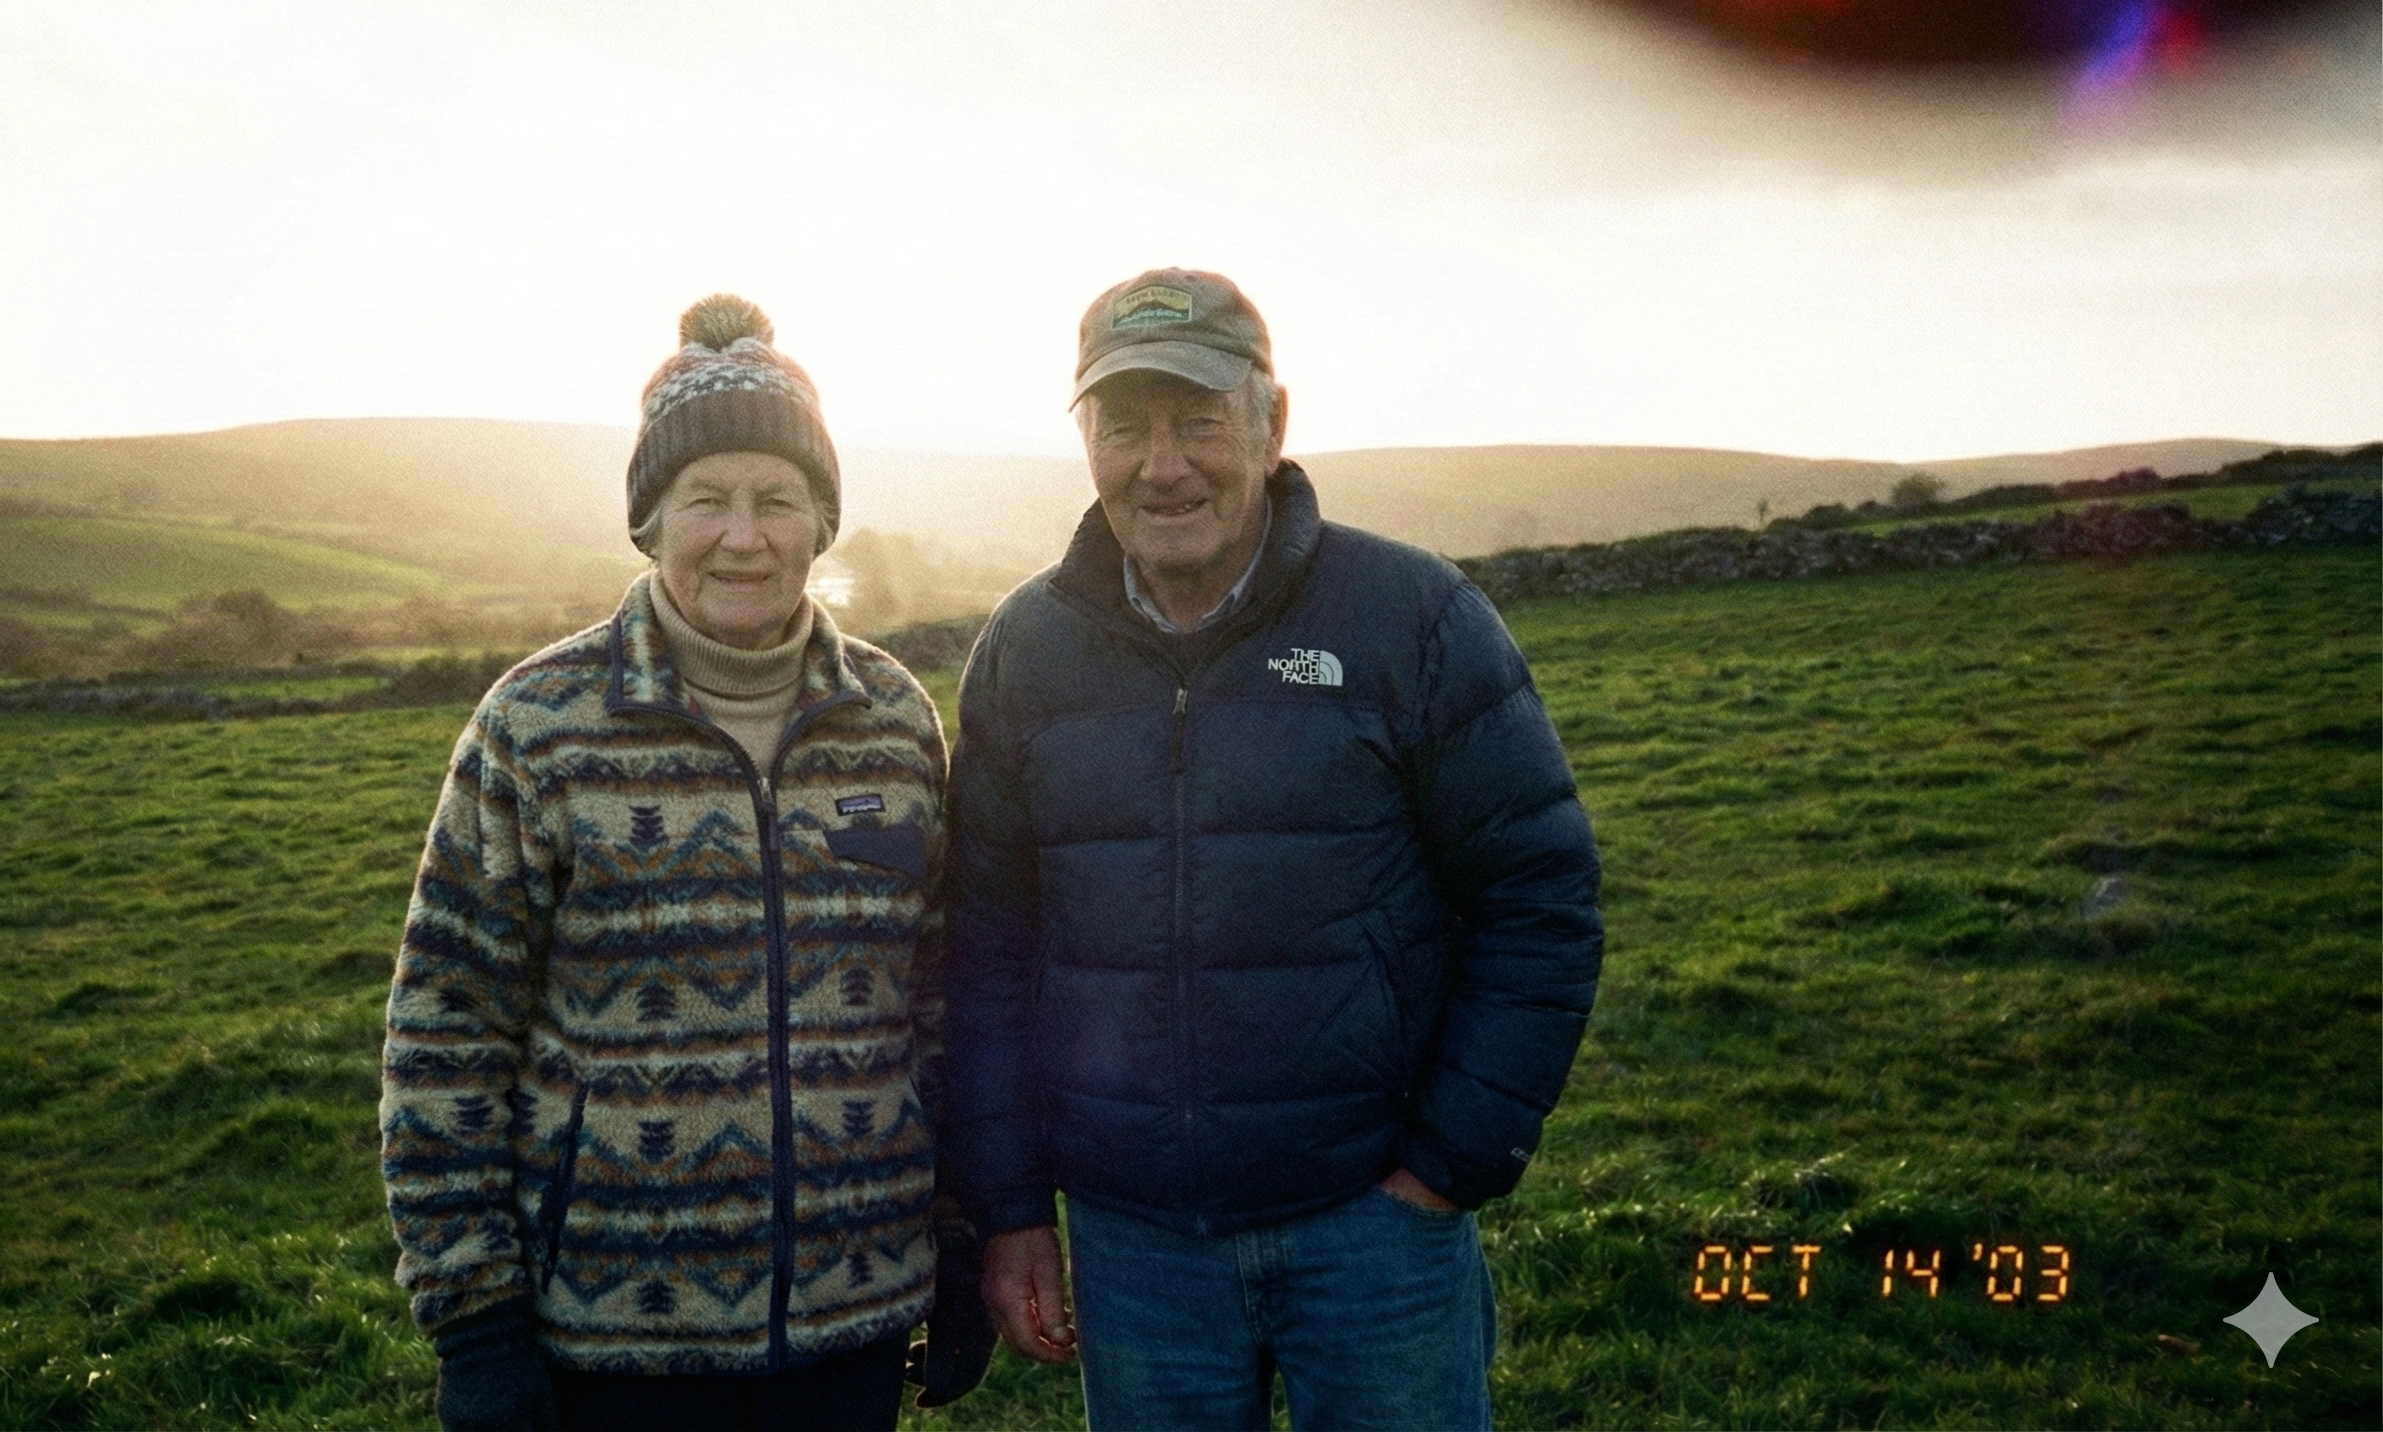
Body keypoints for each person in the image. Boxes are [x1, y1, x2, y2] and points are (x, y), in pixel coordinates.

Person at [941, 268, 1605, 1431]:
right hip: (1134, 1247)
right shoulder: (1024, 651)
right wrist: (1007, 1211)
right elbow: (988, 950)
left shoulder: (1411, 617)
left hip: (1372, 1227)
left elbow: (1535, 900)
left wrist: (1447, 1164)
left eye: (1198, 421)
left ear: (1270, 424)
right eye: (1123, 428)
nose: (1163, 466)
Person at [381, 296, 983, 1432]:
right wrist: (475, 1323)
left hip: (851, 1322)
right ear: (649, 522)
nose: (743, 535)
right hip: (607, 1336)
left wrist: (952, 1232)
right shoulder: (535, 727)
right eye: (705, 499)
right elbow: (445, 1037)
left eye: (777, 500)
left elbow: (939, 1001)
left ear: (822, 522)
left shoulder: (895, 720)